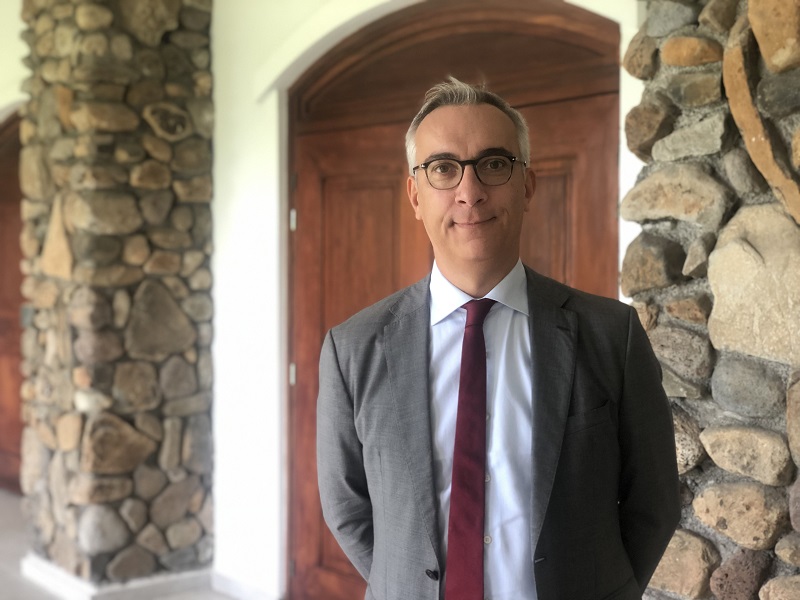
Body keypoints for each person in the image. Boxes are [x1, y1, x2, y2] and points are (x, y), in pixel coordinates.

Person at [316, 77, 680, 600]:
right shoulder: (352, 349)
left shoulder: (611, 336)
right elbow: (347, 508)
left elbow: (654, 505)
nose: (470, 191)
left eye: (493, 164)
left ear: (526, 186)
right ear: (415, 195)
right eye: (444, 168)